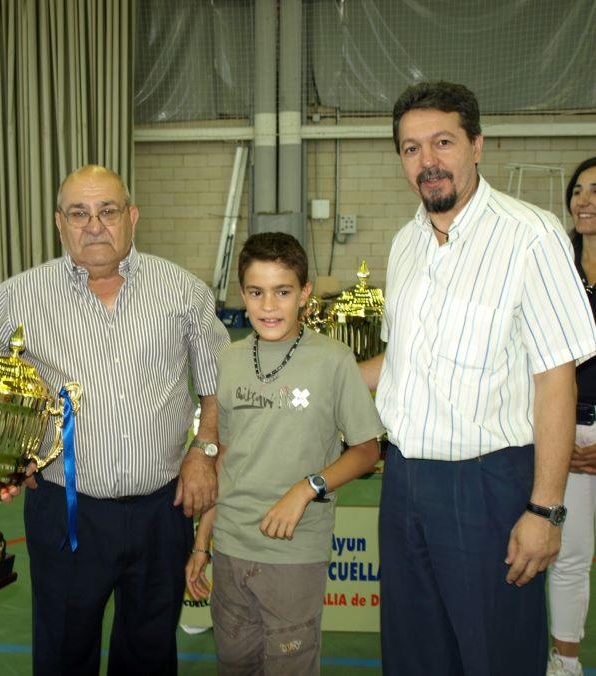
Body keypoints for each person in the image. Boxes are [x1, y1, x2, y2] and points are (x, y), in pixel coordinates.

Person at [359, 81, 596, 675]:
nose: (428, 161)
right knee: (413, 655)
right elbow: (404, 362)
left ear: (477, 145)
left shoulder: (531, 235)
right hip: (405, 483)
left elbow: (555, 375)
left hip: (488, 486)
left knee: (494, 657)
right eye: (411, 149)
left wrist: (546, 509)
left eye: (443, 142)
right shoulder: (405, 243)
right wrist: (313, 376)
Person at [0, 164, 229, 675]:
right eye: (79, 213)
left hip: (162, 509)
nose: (94, 225)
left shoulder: (183, 291)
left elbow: (217, 380)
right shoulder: (21, 295)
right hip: (65, 511)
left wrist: (204, 450)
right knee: (63, 652)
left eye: (108, 211)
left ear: (133, 217)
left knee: (149, 653)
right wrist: (4, 453)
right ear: (60, 224)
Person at [185, 232, 383, 675]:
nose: (269, 306)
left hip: (294, 554)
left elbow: (367, 450)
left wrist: (307, 488)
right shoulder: (230, 359)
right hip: (233, 547)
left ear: (305, 294)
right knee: (234, 663)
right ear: (242, 294)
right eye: (256, 293)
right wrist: (202, 542)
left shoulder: (334, 360)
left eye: (283, 292)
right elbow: (226, 459)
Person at [546, 156, 596, 676]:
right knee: (570, 555)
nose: (584, 200)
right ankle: (565, 663)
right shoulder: (557, 268)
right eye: (578, 191)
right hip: (569, 434)